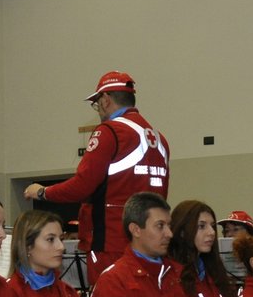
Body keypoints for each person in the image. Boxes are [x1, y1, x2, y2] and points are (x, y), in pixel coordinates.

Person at [22, 71, 170, 275]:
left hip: (111, 240)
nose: (98, 110)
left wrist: (42, 192)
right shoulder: (160, 140)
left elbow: (82, 186)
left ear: (106, 100)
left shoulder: (109, 132)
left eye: (97, 103)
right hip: (151, 241)